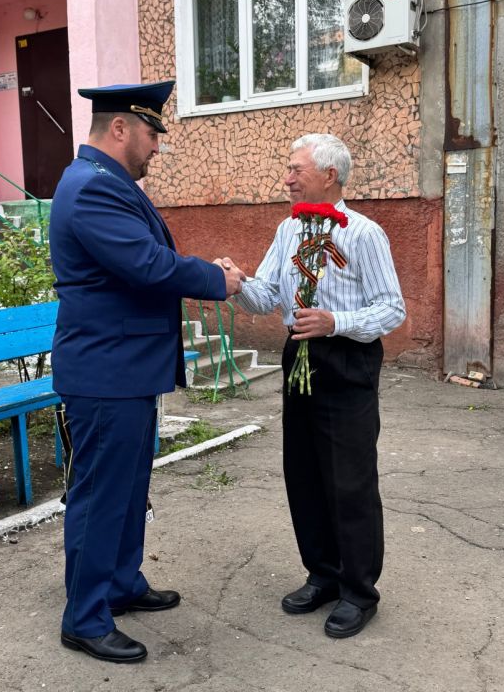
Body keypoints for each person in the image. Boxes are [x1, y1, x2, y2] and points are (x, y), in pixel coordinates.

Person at [48, 80, 245, 663]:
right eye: (152, 133)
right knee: (100, 496)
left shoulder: (105, 183)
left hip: (125, 369)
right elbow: (146, 264)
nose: (157, 145)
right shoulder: (90, 189)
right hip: (107, 373)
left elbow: (144, 259)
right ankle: (84, 618)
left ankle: (121, 583)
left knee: (130, 491)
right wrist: (216, 279)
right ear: (120, 129)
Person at [217, 133, 405, 639]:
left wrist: (335, 322)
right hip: (299, 356)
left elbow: (392, 308)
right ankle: (322, 574)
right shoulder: (288, 230)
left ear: (330, 175)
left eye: (296, 168)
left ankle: (359, 592)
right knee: (304, 473)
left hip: (347, 360)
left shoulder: (365, 234)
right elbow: (267, 297)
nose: (287, 177)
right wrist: (237, 283)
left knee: (350, 480)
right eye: (288, 167)